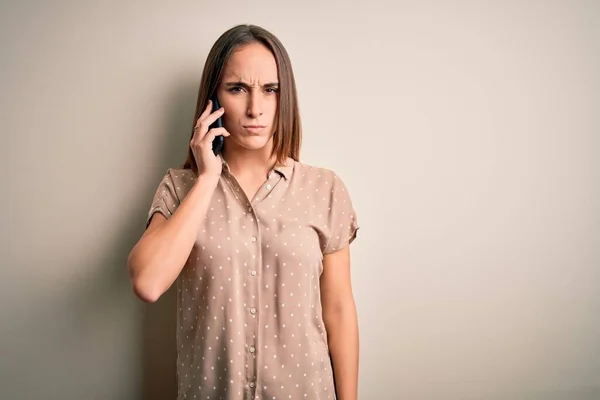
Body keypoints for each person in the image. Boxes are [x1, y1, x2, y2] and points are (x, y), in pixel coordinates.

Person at [127, 24, 360, 400]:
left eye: (271, 90)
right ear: (212, 99)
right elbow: (148, 283)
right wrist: (207, 180)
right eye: (237, 89)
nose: (255, 108)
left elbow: (338, 310)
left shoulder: (325, 190)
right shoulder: (179, 189)